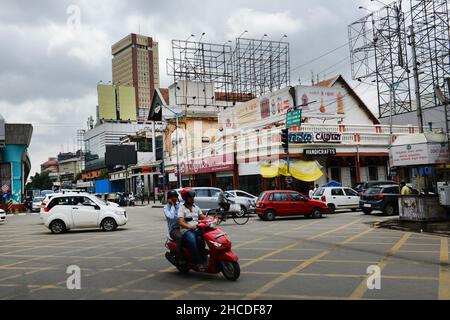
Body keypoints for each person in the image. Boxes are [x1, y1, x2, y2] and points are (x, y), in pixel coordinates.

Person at [178, 188, 207, 270]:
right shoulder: (181, 208)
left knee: (203, 239)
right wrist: (189, 227)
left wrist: (211, 218)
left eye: (193, 197)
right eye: (190, 197)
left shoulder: (196, 207)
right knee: (192, 241)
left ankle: (204, 256)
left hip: (197, 229)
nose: (192, 198)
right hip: (187, 231)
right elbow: (180, 222)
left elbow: (202, 217)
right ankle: (198, 262)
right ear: (185, 198)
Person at [163, 190, 184, 263]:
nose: (174, 198)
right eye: (172, 197)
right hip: (174, 230)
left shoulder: (181, 205)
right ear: (168, 198)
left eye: (175, 197)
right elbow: (171, 217)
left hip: (184, 226)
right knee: (179, 237)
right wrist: (172, 205)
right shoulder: (166, 208)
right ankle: (179, 257)